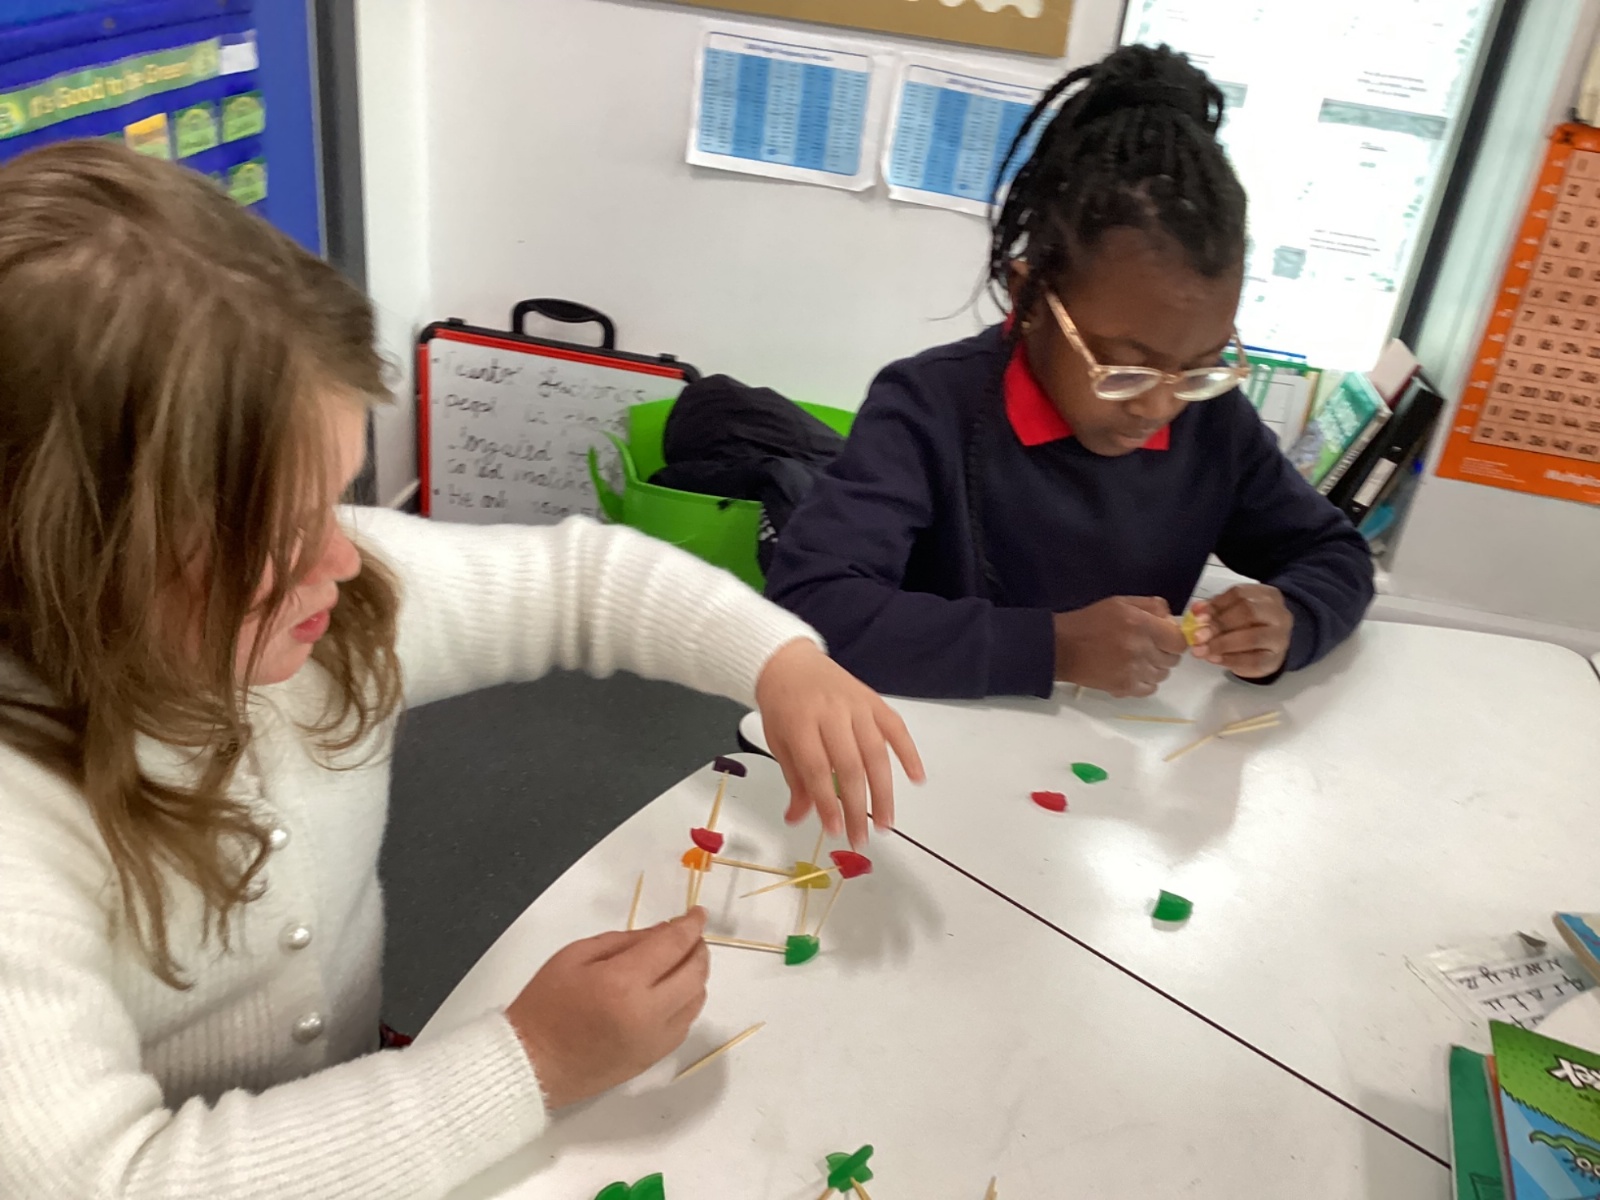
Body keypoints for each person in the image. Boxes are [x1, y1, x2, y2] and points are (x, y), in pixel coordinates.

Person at [0, 142, 921, 1200]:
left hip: (351, 1113)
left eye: (333, 500)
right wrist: (528, 1063)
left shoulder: (322, 614)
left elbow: (583, 582)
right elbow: (107, 1180)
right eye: (282, 532)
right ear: (78, 555)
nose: (345, 558)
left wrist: (778, 658)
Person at [765, 45, 1375, 701]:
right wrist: (1053, 648)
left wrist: (1291, 619)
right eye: (1125, 367)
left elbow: (1334, 554)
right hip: (938, 742)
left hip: (1114, 753)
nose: (1160, 407)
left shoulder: (1212, 422)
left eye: (1201, 367)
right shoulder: (928, 407)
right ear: (1029, 298)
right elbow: (812, 607)